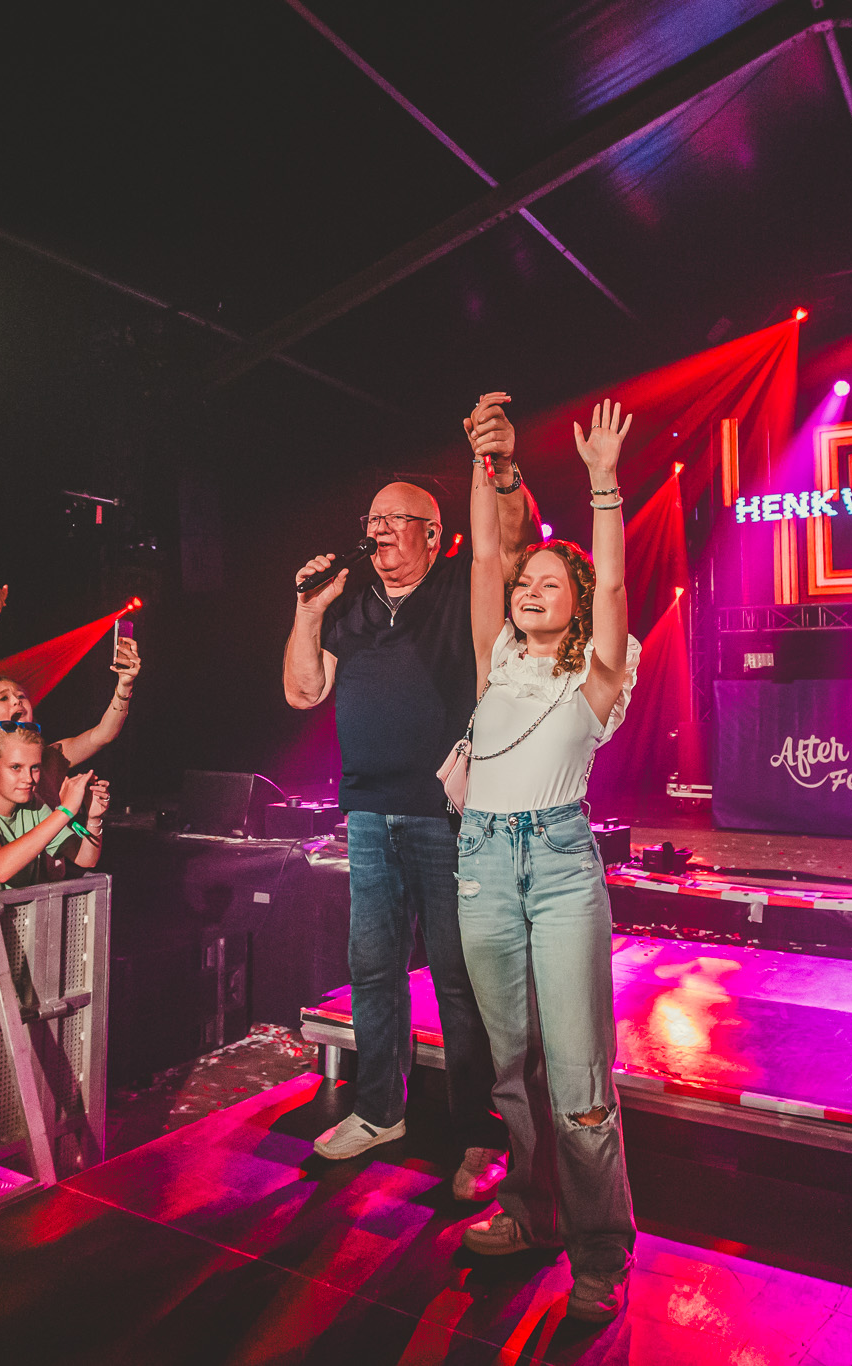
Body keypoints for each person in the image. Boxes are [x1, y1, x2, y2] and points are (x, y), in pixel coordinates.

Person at [283, 396, 534, 1202]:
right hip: (367, 815)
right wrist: (307, 610)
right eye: (374, 520)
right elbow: (301, 691)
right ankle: (378, 1111)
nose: (382, 530)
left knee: (459, 979)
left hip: (446, 819)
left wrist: (500, 467)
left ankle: (479, 1133)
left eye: (400, 520)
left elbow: (510, 540)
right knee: (372, 969)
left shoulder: (462, 586)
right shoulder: (351, 608)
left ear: (434, 534)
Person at [451, 396, 642, 1326]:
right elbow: (486, 556)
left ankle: (600, 1254)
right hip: (482, 861)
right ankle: (531, 1216)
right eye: (525, 580)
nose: (528, 587)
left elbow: (612, 591)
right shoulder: (496, 654)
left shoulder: (599, 671)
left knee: (578, 1081)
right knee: (512, 1067)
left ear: (575, 603)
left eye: (548, 583)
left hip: (561, 865)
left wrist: (604, 486)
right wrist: (486, 463)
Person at [0, 566, 142, 804]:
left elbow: (103, 735)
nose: (16, 701)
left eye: (21, 696)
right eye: (3, 698)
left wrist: (125, 685)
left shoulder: (51, 758)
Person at [0, 722, 107, 899]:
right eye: (16, 767)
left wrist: (93, 817)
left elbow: (86, 858)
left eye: (35, 767)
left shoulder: (34, 806)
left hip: (17, 917)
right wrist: (65, 810)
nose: (28, 778)